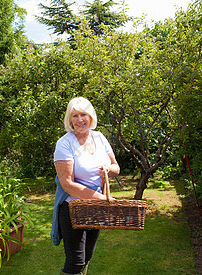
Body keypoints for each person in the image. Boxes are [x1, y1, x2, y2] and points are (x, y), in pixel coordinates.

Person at [51, 97, 120, 275]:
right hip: (72, 206)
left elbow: (116, 168)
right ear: (69, 119)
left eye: (84, 114)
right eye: (75, 116)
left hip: (96, 207)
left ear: (90, 117)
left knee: (87, 256)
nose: (80, 120)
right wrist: (103, 199)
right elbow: (68, 184)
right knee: (75, 261)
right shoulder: (64, 144)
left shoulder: (99, 137)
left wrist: (108, 169)